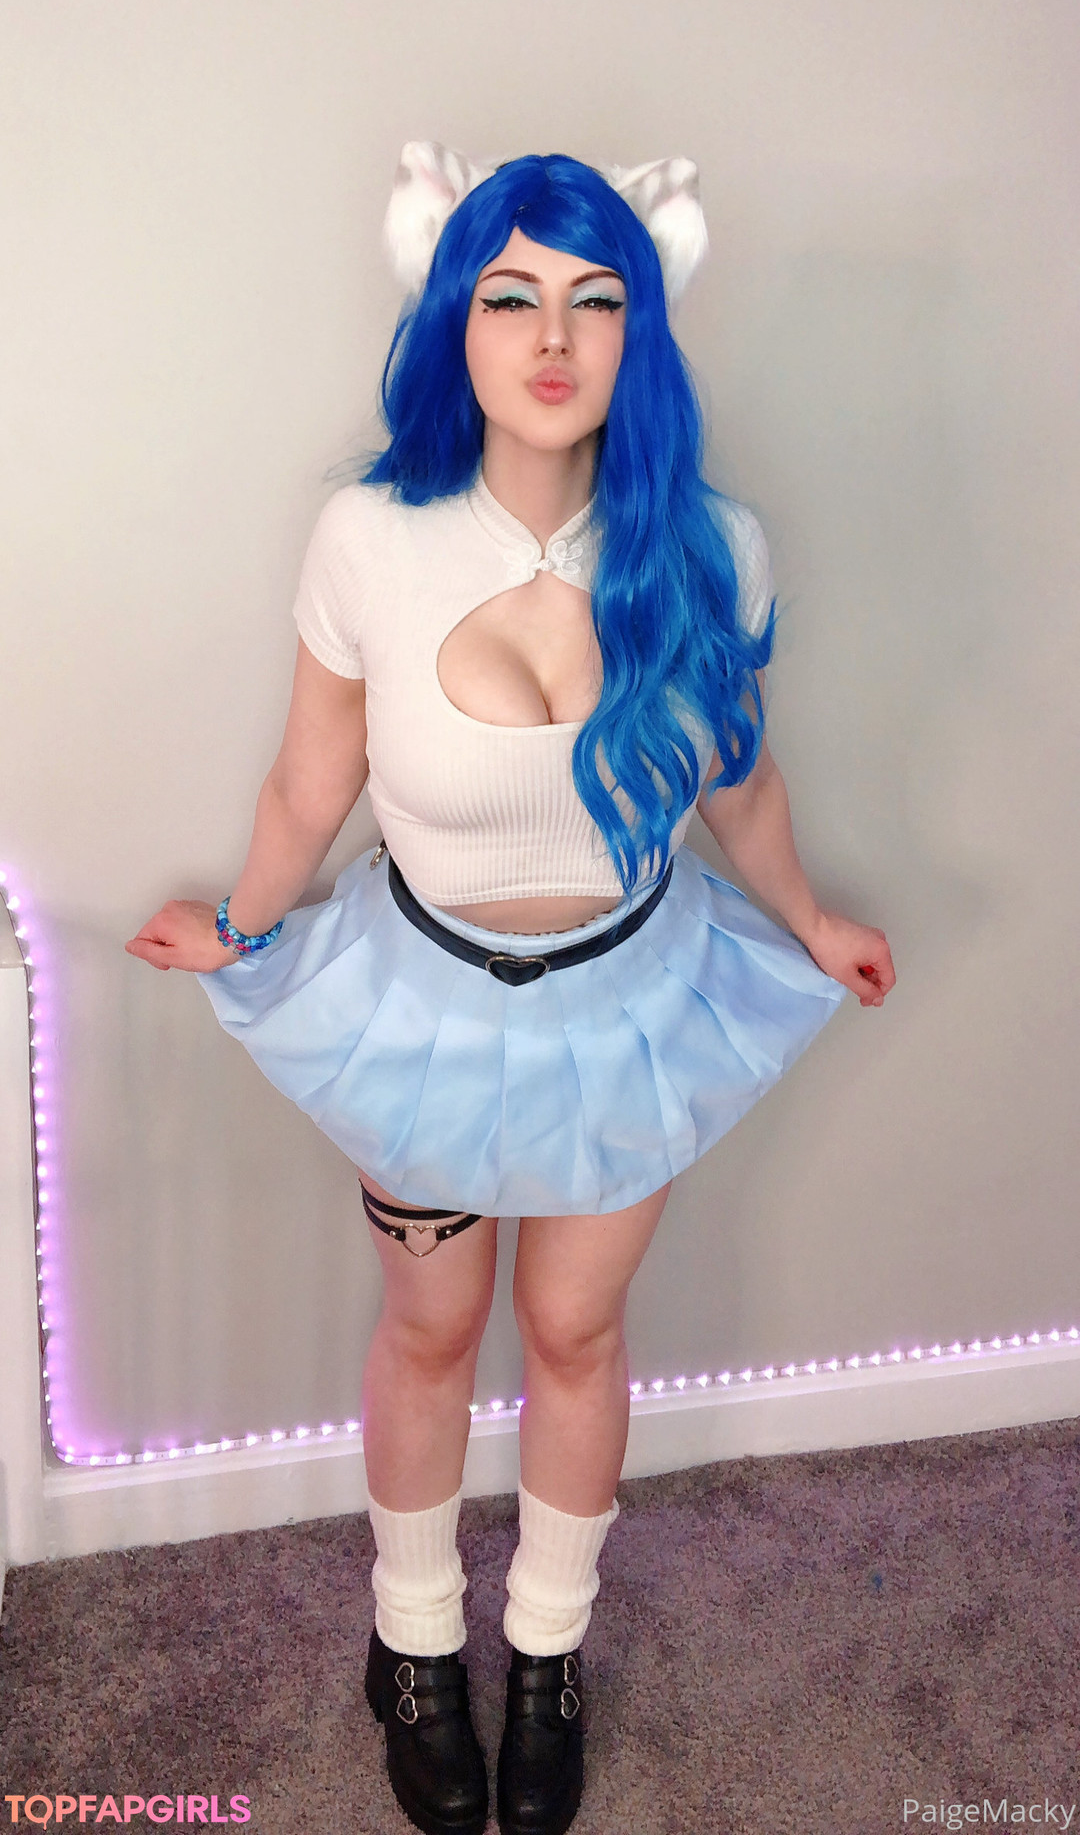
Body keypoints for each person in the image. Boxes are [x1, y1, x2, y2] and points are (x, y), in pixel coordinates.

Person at [127, 144, 895, 1835]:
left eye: (596, 300)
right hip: (422, 1010)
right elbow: (312, 782)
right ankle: (415, 1642)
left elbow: (741, 783)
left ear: (641, 334)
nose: (554, 337)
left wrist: (810, 914)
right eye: (513, 297)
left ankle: (546, 1652)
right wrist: (241, 926)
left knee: (576, 1329)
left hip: (631, 1006)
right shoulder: (369, 538)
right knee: (431, 1329)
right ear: (455, 325)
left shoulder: (716, 549)